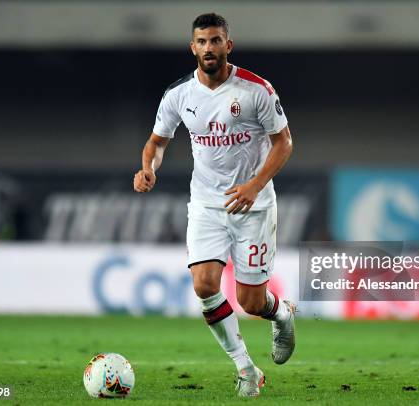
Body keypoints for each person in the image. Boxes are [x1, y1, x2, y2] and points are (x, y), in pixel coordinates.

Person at [133, 12, 295, 397]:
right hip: (206, 204)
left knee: (250, 302)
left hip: (252, 206)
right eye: (202, 41)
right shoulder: (178, 95)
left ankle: (281, 313)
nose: (209, 47)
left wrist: (255, 185)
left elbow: (284, 142)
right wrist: (148, 168)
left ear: (228, 45)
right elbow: (156, 143)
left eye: (216, 40)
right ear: (193, 48)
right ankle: (245, 368)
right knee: (204, 285)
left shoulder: (256, 90)